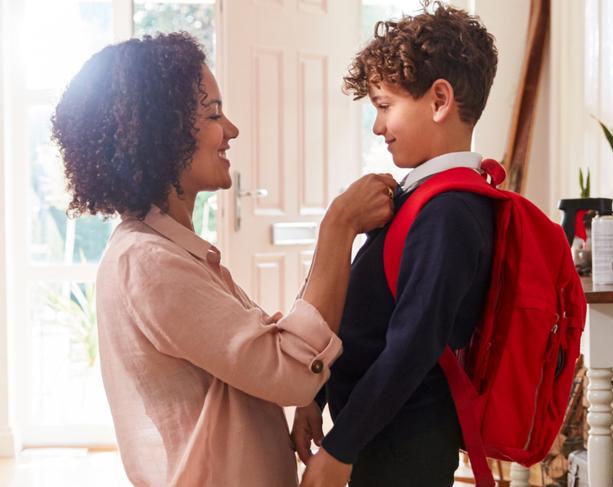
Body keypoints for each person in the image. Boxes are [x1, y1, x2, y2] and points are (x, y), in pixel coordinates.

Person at [51, 32, 397, 487]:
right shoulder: (149, 264)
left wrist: (310, 395)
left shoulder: (171, 252)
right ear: (164, 133)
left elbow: (262, 353)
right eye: (213, 114)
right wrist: (338, 227)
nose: (230, 130)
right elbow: (290, 370)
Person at [292, 2, 499, 486]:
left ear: (439, 99)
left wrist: (340, 451)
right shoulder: (422, 199)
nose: (377, 127)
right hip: (377, 434)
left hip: (405, 445)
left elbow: (412, 347)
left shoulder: (449, 213)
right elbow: (367, 314)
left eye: (384, 106)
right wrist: (315, 395)